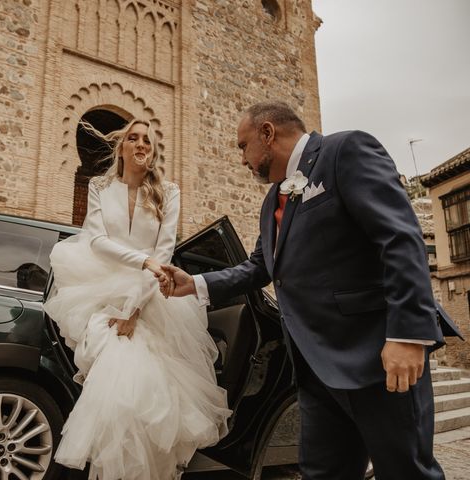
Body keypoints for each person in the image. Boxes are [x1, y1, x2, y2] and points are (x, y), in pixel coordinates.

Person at [161, 101, 450, 480]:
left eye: (242, 146)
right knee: (322, 473)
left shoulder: (345, 151)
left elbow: (399, 238)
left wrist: (408, 334)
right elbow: (259, 268)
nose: (242, 160)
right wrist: (195, 283)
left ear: (268, 133)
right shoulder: (271, 203)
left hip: (378, 357)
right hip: (315, 372)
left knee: (406, 471)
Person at [43, 119, 230, 480]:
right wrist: (141, 261)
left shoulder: (168, 192)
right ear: (122, 148)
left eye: (148, 139)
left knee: (149, 396)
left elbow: (164, 251)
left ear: (153, 150)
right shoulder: (100, 186)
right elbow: (95, 241)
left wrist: (134, 310)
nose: (141, 143)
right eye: (133, 137)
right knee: (119, 389)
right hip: (99, 291)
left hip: (152, 297)